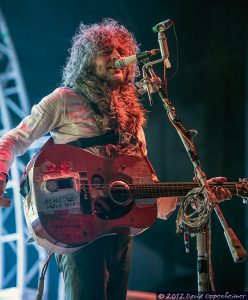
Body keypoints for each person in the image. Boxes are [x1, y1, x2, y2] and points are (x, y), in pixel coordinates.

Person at [0, 19, 231, 300]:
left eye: (122, 51)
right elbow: (12, 140)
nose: (117, 58)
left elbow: (151, 195)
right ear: (87, 61)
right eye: (106, 51)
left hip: (120, 233)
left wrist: (198, 195)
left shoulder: (134, 124)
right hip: (76, 229)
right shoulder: (64, 101)